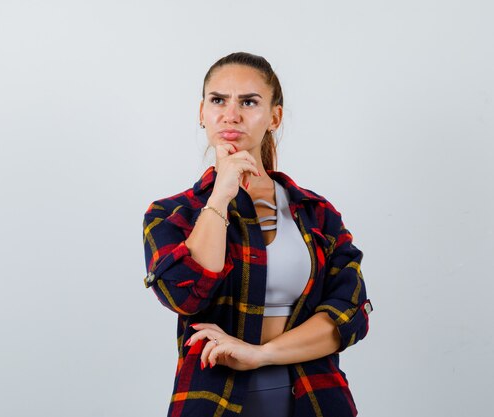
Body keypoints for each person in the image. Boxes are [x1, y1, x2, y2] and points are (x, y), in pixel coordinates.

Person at [142, 52, 372, 417]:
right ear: (202, 113)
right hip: (212, 399)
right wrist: (221, 193)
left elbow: (351, 314)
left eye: (249, 102)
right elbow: (183, 294)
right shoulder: (171, 214)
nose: (231, 114)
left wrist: (260, 355)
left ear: (274, 117)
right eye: (218, 100)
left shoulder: (316, 213)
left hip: (314, 398)